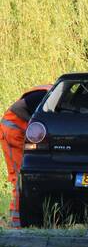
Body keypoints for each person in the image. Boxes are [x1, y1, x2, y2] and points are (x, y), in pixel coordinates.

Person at [1, 85, 51, 228]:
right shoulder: (46, 96)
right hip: (13, 130)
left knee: (29, 174)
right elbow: (20, 110)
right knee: (20, 176)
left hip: (23, 131)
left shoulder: (50, 92)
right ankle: (15, 221)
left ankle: (30, 217)